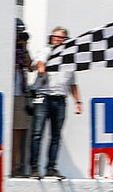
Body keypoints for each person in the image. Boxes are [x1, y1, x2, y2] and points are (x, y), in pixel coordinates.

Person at [28, 26, 81, 179]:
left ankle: (51, 168)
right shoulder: (46, 51)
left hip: (60, 99)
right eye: (54, 37)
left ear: (66, 40)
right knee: (37, 133)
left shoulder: (69, 59)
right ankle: (34, 168)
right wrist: (41, 68)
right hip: (43, 97)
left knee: (56, 136)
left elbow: (73, 83)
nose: (57, 39)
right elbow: (38, 63)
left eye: (60, 37)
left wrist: (78, 101)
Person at [12, 19, 33, 177]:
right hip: (8, 93)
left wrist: (24, 48)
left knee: (18, 132)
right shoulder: (5, 47)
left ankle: (15, 166)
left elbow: (30, 66)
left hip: (20, 94)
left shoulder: (22, 50)